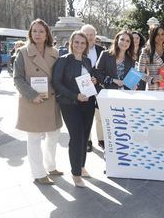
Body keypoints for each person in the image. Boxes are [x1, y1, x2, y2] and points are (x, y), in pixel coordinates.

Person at [13, 19, 63, 185]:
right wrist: (31, 94)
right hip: (32, 100)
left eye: (41, 31)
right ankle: (38, 173)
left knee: (54, 135)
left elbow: (59, 76)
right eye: (34, 31)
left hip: (52, 100)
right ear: (30, 33)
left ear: (47, 33)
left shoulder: (54, 52)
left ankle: (51, 166)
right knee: (34, 138)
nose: (38, 34)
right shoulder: (22, 52)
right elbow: (17, 78)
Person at [52, 31, 97, 188]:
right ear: (71, 43)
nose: (79, 45)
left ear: (86, 45)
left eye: (82, 43)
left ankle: (82, 166)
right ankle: (75, 173)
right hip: (70, 104)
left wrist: (93, 80)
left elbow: (88, 80)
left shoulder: (87, 61)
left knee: (85, 137)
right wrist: (75, 95)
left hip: (88, 103)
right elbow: (57, 83)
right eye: (76, 42)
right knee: (76, 137)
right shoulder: (63, 60)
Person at [80, 24, 104, 152]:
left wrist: (97, 79)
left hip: (99, 87)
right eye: (86, 34)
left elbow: (104, 69)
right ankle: (87, 140)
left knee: (100, 114)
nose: (89, 37)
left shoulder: (102, 50)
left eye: (91, 35)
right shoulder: (78, 49)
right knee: (86, 114)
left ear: (95, 36)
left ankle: (101, 140)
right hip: (83, 88)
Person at [138, 25, 164, 91]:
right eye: (157, 34)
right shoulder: (145, 51)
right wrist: (152, 79)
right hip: (153, 90)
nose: (160, 37)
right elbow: (139, 73)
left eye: (162, 34)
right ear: (152, 36)